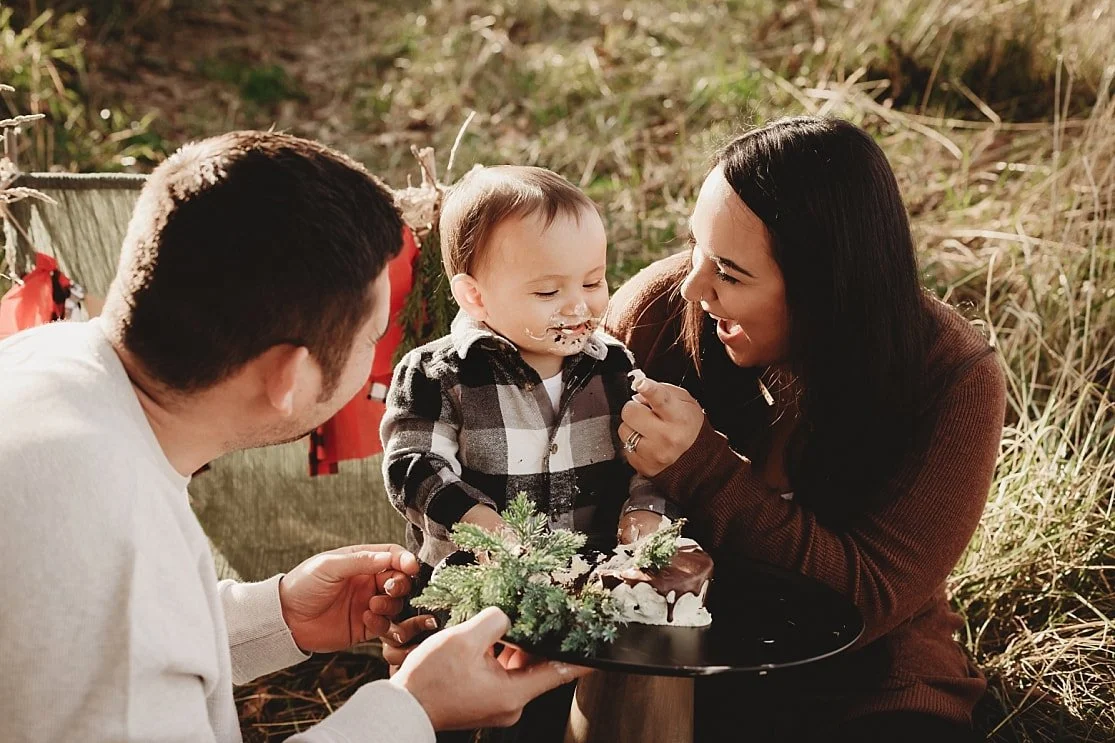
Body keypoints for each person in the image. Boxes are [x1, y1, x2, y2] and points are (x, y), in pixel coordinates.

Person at [0, 131, 587, 743]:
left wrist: (276, 616)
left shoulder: (50, 364)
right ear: (290, 377)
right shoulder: (110, 539)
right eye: (374, 340)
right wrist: (412, 711)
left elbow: (110, 634)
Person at [604, 116, 1006, 741]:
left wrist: (701, 469)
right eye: (695, 248)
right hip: (665, 644)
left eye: (731, 274)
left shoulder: (951, 377)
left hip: (862, 672)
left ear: (826, 289)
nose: (693, 286)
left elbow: (868, 599)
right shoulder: (659, 313)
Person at [379, 165, 670, 741]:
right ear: (475, 295)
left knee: (557, 723)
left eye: (593, 282)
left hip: (581, 603)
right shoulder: (441, 373)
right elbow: (412, 467)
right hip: (466, 610)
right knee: (457, 725)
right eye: (547, 291)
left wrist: (646, 508)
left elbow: (646, 458)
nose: (576, 307)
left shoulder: (611, 368)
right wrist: (484, 526)